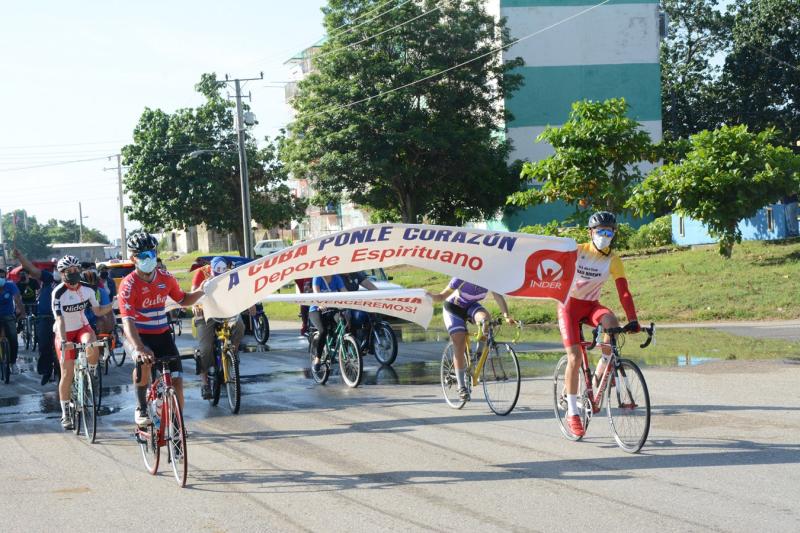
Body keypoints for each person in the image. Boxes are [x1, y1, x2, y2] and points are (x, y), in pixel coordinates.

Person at [556, 211, 642, 438]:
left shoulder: (613, 260)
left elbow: (623, 292)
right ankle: (573, 412)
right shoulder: (577, 251)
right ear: (590, 232)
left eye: (609, 231)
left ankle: (603, 367)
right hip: (568, 307)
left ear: (614, 234)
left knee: (611, 321)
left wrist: (633, 320)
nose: (604, 235)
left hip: (590, 305)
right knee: (574, 357)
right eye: (600, 231)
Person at [118, 231, 204, 427]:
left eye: (151, 253)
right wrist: (139, 347)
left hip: (162, 335)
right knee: (143, 363)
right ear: (133, 258)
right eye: (142, 255)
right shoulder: (128, 285)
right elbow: (128, 321)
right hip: (138, 335)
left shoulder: (166, 277)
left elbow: (183, 299)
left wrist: (202, 291)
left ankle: (177, 427)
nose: (149, 258)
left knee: (177, 381)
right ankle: (140, 406)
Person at [51, 255, 113, 429]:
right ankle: (65, 414)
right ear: (62, 274)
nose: (73, 273)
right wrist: (63, 341)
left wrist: (115, 305)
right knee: (67, 373)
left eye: (75, 270)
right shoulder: (58, 293)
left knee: (91, 342)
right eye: (68, 271)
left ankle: (90, 371)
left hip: (81, 327)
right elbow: (60, 319)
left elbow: (99, 311)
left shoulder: (87, 289)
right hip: (64, 331)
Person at [429, 279, 514, 401]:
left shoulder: (490, 276)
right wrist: (429, 296)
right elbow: (441, 296)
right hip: (453, 308)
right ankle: (461, 387)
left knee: (486, 320)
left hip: (470, 306)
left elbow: (498, 297)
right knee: (460, 341)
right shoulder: (460, 277)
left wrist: (506, 316)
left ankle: (477, 357)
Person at [191, 256, 246, 400]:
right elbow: (193, 294)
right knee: (205, 348)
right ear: (211, 269)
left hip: (224, 310)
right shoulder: (201, 273)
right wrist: (196, 306)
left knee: (240, 325)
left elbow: (239, 291)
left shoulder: (229, 274)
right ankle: (204, 383)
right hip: (205, 312)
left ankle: (232, 352)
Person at [13, 250, 59, 385]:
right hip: (46, 317)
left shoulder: (70, 283)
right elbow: (32, 270)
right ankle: (46, 371)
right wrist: (21, 257)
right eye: (56, 268)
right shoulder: (48, 277)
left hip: (64, 318)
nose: (58, 270)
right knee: (44, 344)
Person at [309, 274, 348, 373]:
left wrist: (351, 301)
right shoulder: (317, 278)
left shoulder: (337, 278)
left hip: (332, 309)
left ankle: (341, 348)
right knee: (323, 331)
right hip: (317, 310)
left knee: (343, 322)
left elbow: (345, 292)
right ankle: (317, 360)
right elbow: (316, 292)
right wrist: (321, 304)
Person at [0, 267, 24, 372]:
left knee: (13, 339)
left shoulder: (10, 285)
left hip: (9, 316)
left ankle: (13, 363)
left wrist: (22, 312)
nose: (1, 278)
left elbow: (17, 299)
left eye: (2, 276)